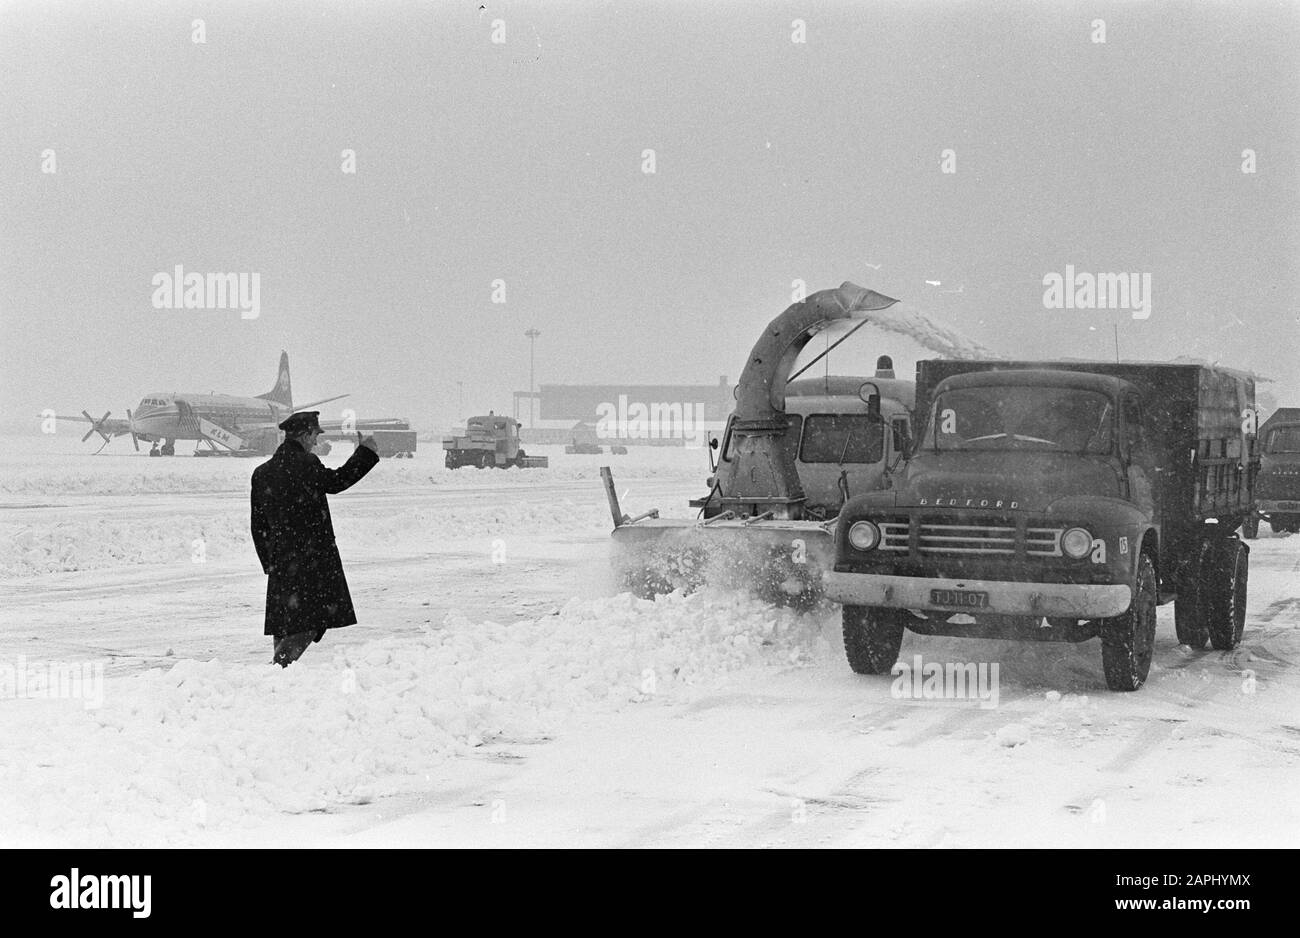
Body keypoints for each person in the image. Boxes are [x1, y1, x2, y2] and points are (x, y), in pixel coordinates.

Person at [250, 412, 379, 667]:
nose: (316, 441)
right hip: (311, 559)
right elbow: (338, 481)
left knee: (287, 621)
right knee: (310, 621)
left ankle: (281, 671)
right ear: (305, 434)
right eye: (314, 435)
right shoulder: (307, 464)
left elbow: (258, 526)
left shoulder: (262, 472)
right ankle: (279, 667)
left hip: (281, 560)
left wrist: (270, 562)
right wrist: (365, 453)